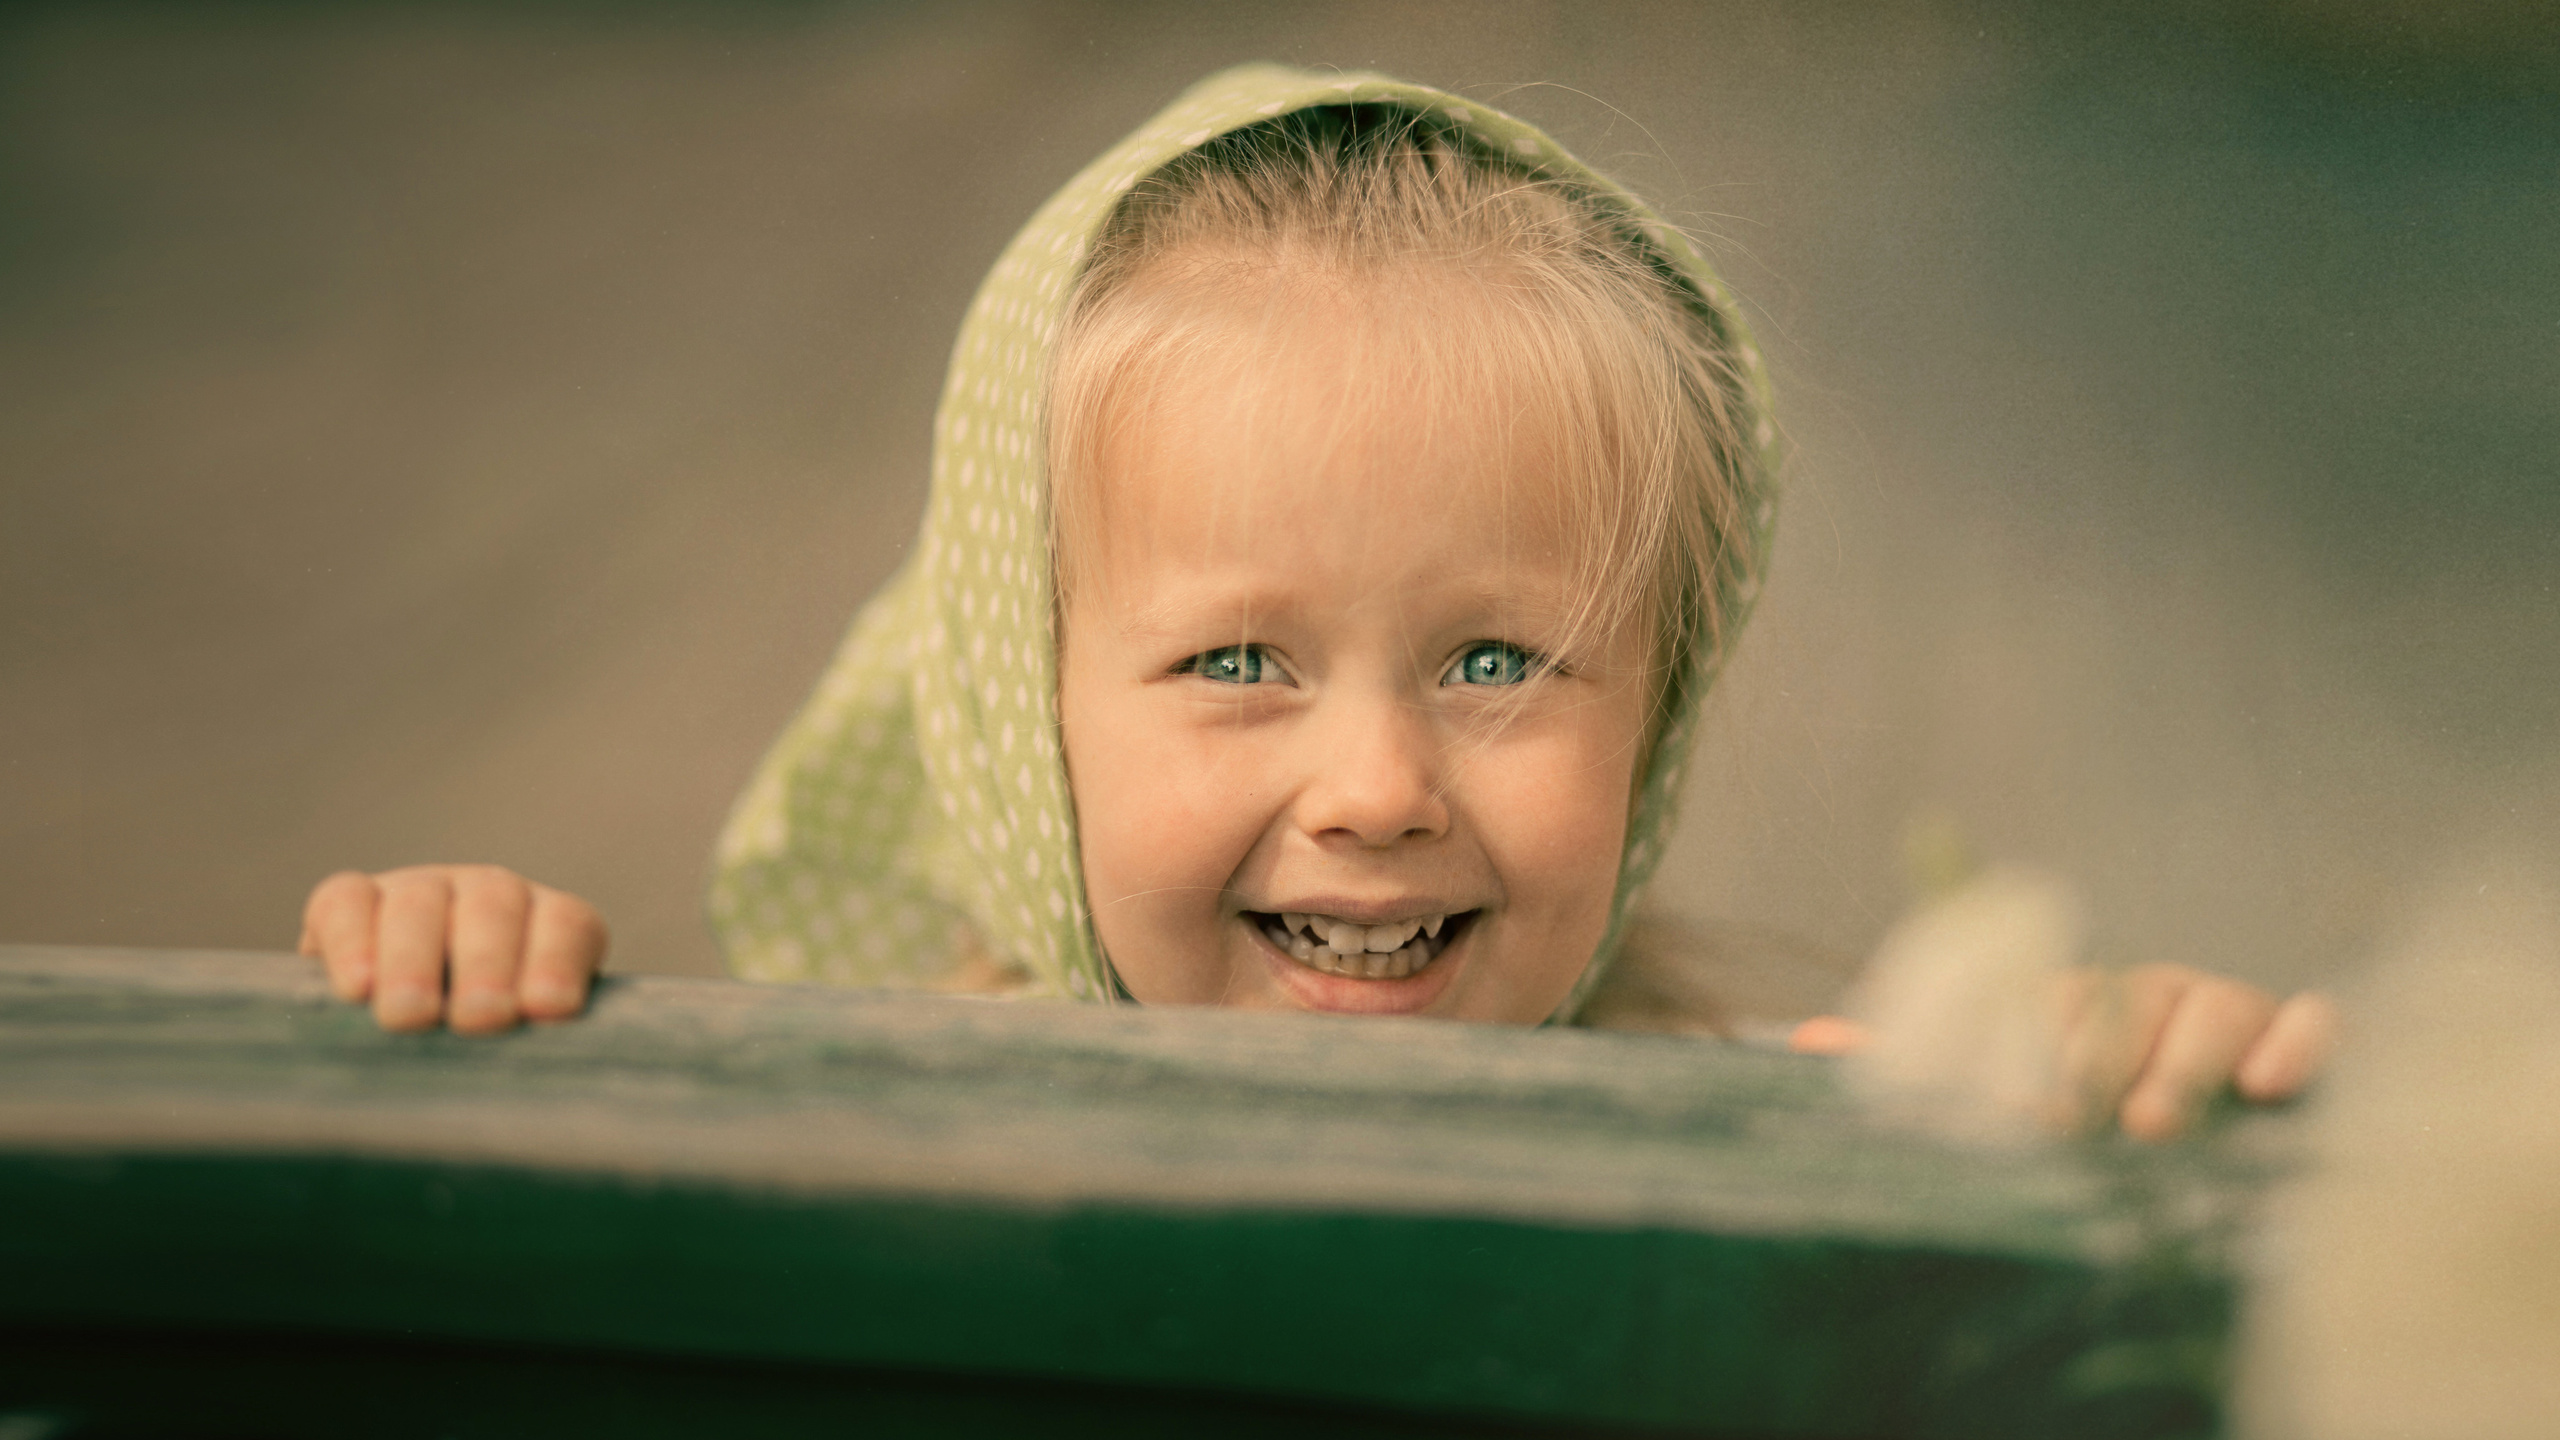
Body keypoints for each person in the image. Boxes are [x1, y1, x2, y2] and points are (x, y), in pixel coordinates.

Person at [297, 65, 2330, 1140]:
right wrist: (464, 1004)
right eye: (1236, 661)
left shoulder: (1789, 1141)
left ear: (1661, 701)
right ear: (1022, 711)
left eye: (1492, 659)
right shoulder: (833, 1154)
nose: (1374, 787)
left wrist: (2126, 1108)